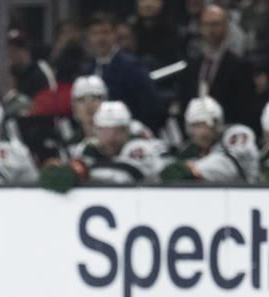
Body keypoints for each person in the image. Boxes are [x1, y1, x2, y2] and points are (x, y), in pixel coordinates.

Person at [38, 100, 169, 193]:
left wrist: (83, 171)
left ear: (127, 131)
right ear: (96, 130)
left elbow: (123, 177)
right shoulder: (87, 148)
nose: (110, 136)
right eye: (104, 130)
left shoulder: (141, 147)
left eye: (118, 130)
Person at [179, 5, 259, 134]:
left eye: (215, 24)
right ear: (201, 28)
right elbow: (185, 100)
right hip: (196, 133)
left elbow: (245, 108)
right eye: (206, 24)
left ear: (226, 27)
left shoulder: (240, 66)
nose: (211, 30)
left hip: (227, 131)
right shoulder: (193, 65)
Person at [82, 12, 166, 132]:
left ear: (115, 35)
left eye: (105, 32)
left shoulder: (131, 66)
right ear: (89, 37)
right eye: (95, 33)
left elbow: (153, 106)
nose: (100, 39)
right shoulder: (87, 69)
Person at [159, 96, 258, 183]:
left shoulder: (237, 135)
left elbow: (230, 167)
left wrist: (192, 169)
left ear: (217, 123)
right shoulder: (190, 149)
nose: (198, 131)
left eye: (202, 125)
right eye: (194, 126)